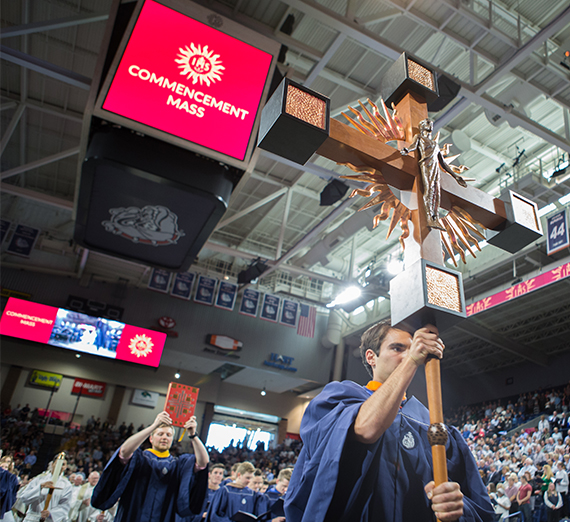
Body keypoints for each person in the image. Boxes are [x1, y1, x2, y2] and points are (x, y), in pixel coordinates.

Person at [285, 321, 495, 522]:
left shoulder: (432, 422)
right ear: (371, 357)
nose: (407, 355)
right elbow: (366, 429)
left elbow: (476, 505)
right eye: (397, 348)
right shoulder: (339, 398)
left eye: (412, 349)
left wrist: (456, 506)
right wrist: (412, 360)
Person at [91, 412, 209, 522]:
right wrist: (153, 426)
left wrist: (193, 435)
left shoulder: (178, 464)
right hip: (132, 515)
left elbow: (203, 463)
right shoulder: (139, 458)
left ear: (172, 440)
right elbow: (124, 451)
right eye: (160, 434)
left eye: (168, 435)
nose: (164, 437)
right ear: (151, 438)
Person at [400, 118, 468, 230]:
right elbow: (413, 146)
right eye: (427, 123)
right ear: (422, 126)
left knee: (437, 192)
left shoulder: (435, 144)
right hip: (426, 165)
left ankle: (435, 217)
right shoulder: (420, 137)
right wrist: (407, 150)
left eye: (431, 123)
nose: (430, 125)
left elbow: (443, 163)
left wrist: (455, 176)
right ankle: (429, 217)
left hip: (435, 168)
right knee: (429, 189)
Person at [17, 457, 73, 522]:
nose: (60, 466)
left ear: (66, 467)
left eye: (63, 464)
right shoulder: (39, 479)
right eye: (57, 463)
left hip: (50, 519)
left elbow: (65, 506)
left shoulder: (66, 485)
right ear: (52, 464)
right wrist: (40, 488)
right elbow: (24, 497)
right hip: (33, 517)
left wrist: (50, 514)